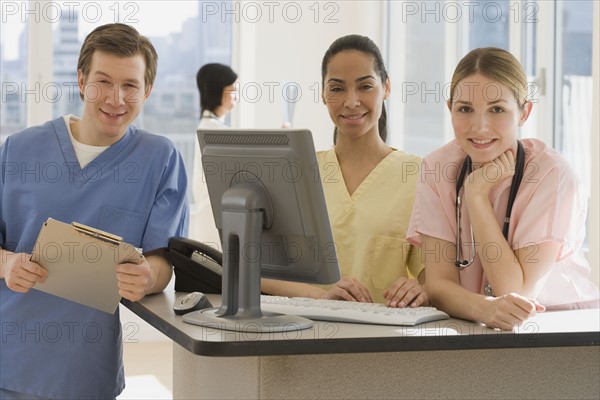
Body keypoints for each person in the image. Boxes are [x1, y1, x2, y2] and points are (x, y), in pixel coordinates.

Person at [0, 23, 189, 399]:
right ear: (81, 79)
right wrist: (7, 264)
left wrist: (148, 277)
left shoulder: (160, 160)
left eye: (130, 86)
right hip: (11, 355)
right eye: (102, 81)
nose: (115, 99)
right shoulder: (18, 151)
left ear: (147, 90)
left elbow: (164, 261)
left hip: (86, 370)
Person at [407, 47, 599, 331]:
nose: (479, 126)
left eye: (497, 109)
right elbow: (439, 284)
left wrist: (476, 196)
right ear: (450, 109)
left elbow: (515, 292)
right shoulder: (438, 168)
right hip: (477, 326)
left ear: (524, 112)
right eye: (465, 109)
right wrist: (482, 308)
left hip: (561, 331)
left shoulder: (553, 176)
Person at [263, 35, 427, 307]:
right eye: (337, 89)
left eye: (365, 86)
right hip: (303, 334)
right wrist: (321, 296)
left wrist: (421, 289)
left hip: (384, 341)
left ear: (386, 87)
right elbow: (258, 270)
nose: (351, 102)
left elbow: (432, 276)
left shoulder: (418, 174)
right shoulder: (298, 171)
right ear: (323, 94)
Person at [189, 63, 238, 246]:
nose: (236, 95)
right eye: (232, 90)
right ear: (218, 91)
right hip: (214, 223)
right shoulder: (215, 132)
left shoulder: (208, 127)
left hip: (210, 220)